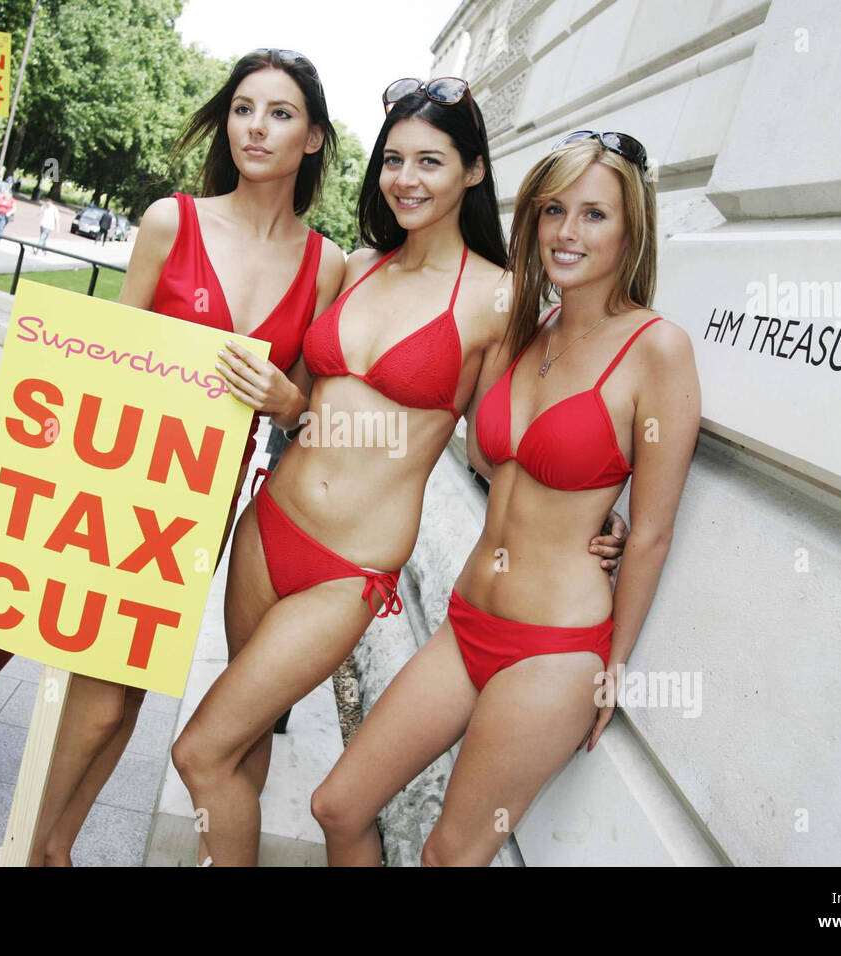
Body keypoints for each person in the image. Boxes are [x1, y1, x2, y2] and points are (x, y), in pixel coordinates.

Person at [168, 80, 628, 866]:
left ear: (474, 172)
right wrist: (286, 401)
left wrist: (586, 509)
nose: (406, 179)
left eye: (430, 162)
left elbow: (504, 435)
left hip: (347, 569)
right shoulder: (357, 266)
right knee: (241, 747)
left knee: (199, 751)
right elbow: (308, 408)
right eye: (393, 160)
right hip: (267, 527)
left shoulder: (500, 295)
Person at [311, 131, 700, 866]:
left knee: (448, 857)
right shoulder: (528, 326)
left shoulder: (658, 348)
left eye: (594, 215)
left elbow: (650, 533)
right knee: (339, 806)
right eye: (552, 210)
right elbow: (498, 461)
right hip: (466, 622)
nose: (566, 232)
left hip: (551, 653)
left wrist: (611, 668)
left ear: (632, 229)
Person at [28, 48, 348, 868]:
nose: (255, 127)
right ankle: (32, 852)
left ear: (313, 138)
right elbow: (99, 360)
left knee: (123, 698)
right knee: (99, 702)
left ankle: (55, 848)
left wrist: (289, 402)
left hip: (202, 505)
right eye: (243, 107)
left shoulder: (327, 266)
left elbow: (309, 411)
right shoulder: (173, 221)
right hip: (117, 485)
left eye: (280, 113)